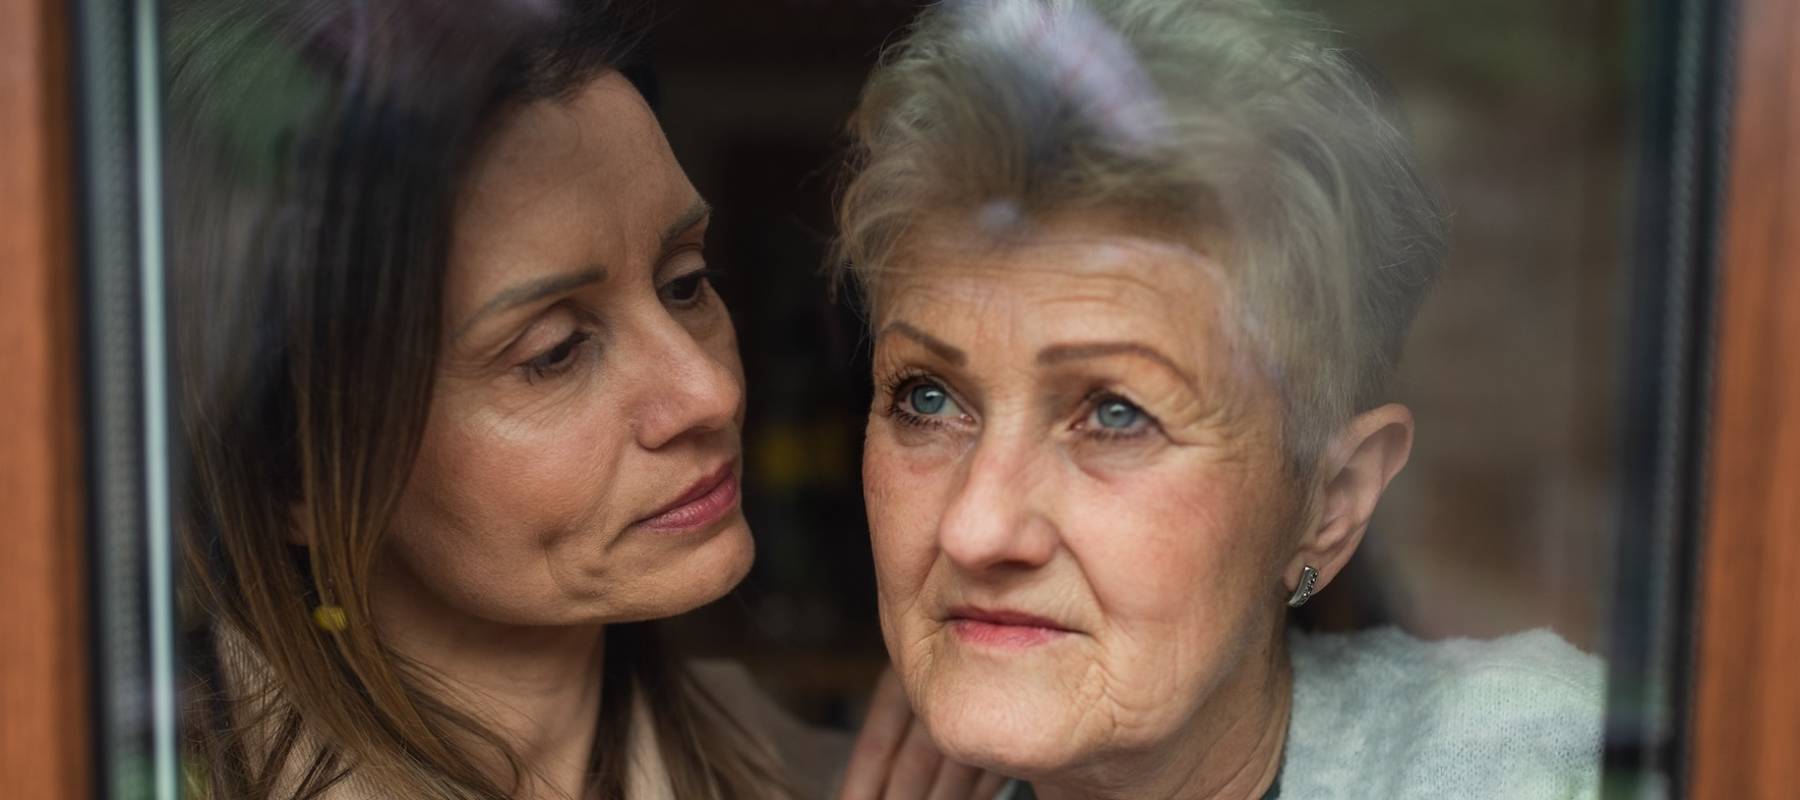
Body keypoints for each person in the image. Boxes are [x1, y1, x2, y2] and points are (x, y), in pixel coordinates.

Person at [169, 1, 996, 797]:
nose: (709, 391)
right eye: (555, 352)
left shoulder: (841, 773)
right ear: (296, 475)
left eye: (686, 284)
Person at [832, 0, 1605, 797]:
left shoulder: (1535, 768)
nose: (975, 528)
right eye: (926, 398)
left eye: (1117, 414)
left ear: (1330, 504)